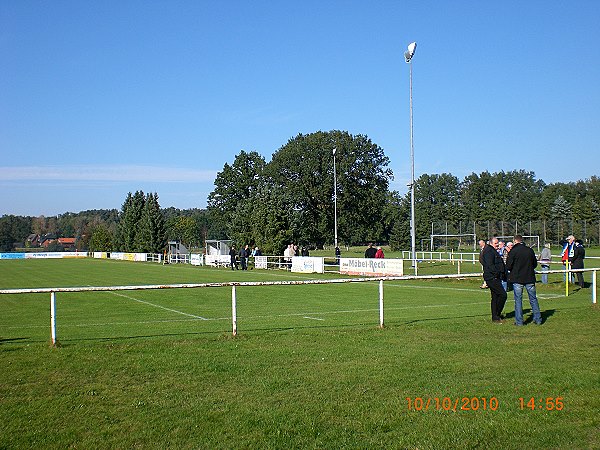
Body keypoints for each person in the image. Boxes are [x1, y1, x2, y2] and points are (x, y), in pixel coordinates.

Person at [506, 235, 542, 326]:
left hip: (517, 279)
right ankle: (538, 319)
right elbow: (534, 264)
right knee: (533, 299)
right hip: (529, 278)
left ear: (515, 241)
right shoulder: (529, 250)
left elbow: (508, 266)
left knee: (518, 300)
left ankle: (519, 321)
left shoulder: (513, 251)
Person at [481, 237, 507, 323]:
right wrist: (496, 274)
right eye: (496, 243)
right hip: (492, 277)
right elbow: (490, 265)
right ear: (491, 243)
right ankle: (497, 314)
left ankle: (495, 316)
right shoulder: (489, 251)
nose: (498, 245)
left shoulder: (491, 250)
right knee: (503, 295)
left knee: (495, 297)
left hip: (494, 277)